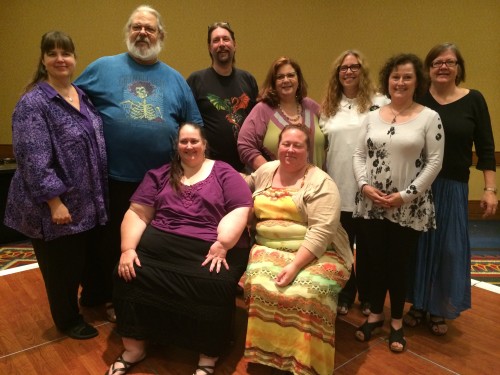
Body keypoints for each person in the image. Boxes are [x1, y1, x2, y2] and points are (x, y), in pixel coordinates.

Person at [74, 5, 202, 321]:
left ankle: (142, 296)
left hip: (160, 183)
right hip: (112, 179)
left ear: (161, 36)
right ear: (128, 32)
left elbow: (194, 125)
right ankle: (109, 297)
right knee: (110, 243)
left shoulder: (175, 79)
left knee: (150, 245)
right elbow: (67, 101)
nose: (142, 33)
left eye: (149, 28)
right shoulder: (102, 68)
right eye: (136, 27)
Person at [104, 122, 252, 375]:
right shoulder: (159, 174)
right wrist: (127, 249)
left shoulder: (224, 172)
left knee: (212, 283)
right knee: (127, 273)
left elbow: (241, 208)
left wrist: (223, 244)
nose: (189, 146)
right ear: (177, 146)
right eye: (184, 141)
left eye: (194, 140)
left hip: (212, 246)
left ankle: (208, 354)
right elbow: (138, 213)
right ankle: (134, 348)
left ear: (204, 144)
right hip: (162, 245)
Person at [4, 31, 108, 340]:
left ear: (75, 58)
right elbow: (32, 159)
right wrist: (54, 202)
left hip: (87, 199)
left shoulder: (80, 94)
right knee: (61, 268)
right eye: (53, 54)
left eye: (66, 53)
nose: (60, 59)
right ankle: (67, 320)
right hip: (53, 206)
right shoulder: (33, 103)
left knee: (84, 259)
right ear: (44, 60)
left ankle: (90, 301)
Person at [352, 54, 444, 353]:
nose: (400, 82)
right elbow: (359, 155)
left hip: (409, 206)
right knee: (375, 262)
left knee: (398, 265)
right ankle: (375, 315)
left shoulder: (429, 117)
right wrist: (365, 185)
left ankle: (396, 322)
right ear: (387, 81)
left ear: (417, 81)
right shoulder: (371, 115)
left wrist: (405, 195)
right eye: (395, 77)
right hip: (371, 203)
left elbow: (434, 162)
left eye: (407, 77)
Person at [243, 125, 353, 375]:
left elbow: (322, 232)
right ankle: (269, 355)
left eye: (297, 145)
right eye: (285, 144)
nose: (290, 150)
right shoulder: (266, 171)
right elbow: (242, 185)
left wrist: (294, 266)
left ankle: (305, 362)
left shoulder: (321, 182)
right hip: (268, 247)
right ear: (278, 146)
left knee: (307, 292)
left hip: (320, 252)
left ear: (308, 150)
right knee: (261, 283)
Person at [404, 43, 497, 336]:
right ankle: (417, 304)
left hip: (453, 188)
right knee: (417, 249)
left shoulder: (474, 100)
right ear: (428, 69)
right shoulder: (417, 99)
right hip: (418, 189)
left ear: (459, 68)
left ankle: (438, 308)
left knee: (448, 250)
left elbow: (484, 147)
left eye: (450, 62)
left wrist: (490, 188)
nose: (443, 67)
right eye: (436, 62)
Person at [320, 49, 390, 317]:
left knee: (372, 249)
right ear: (337, 74)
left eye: (354, 67)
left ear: (363, 70)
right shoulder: (328, 107)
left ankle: (371, 298)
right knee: (342, 247)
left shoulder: (380, 103)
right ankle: (346, 295)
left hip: (372, 190)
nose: (348, 72)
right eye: (343, 68)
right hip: (339, 188)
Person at [187, 22, 258, 172]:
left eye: (226, 39)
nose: (221, 44)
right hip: (207, 167)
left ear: (234, 45)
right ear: (209, 47)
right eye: (216, 40)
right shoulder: (196, 80)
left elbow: (256, 123)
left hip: (245, 166)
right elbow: (188, 125)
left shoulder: (248, 79)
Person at [238, 56, 324, 171]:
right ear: (273, 83)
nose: (286, 80)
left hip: (315, 185)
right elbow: (245, 145)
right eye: (280, 77)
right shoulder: (263, 110)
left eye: (291, 75)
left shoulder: (312, 107)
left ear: (298, 79)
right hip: (278, 187)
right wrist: (270, 172)